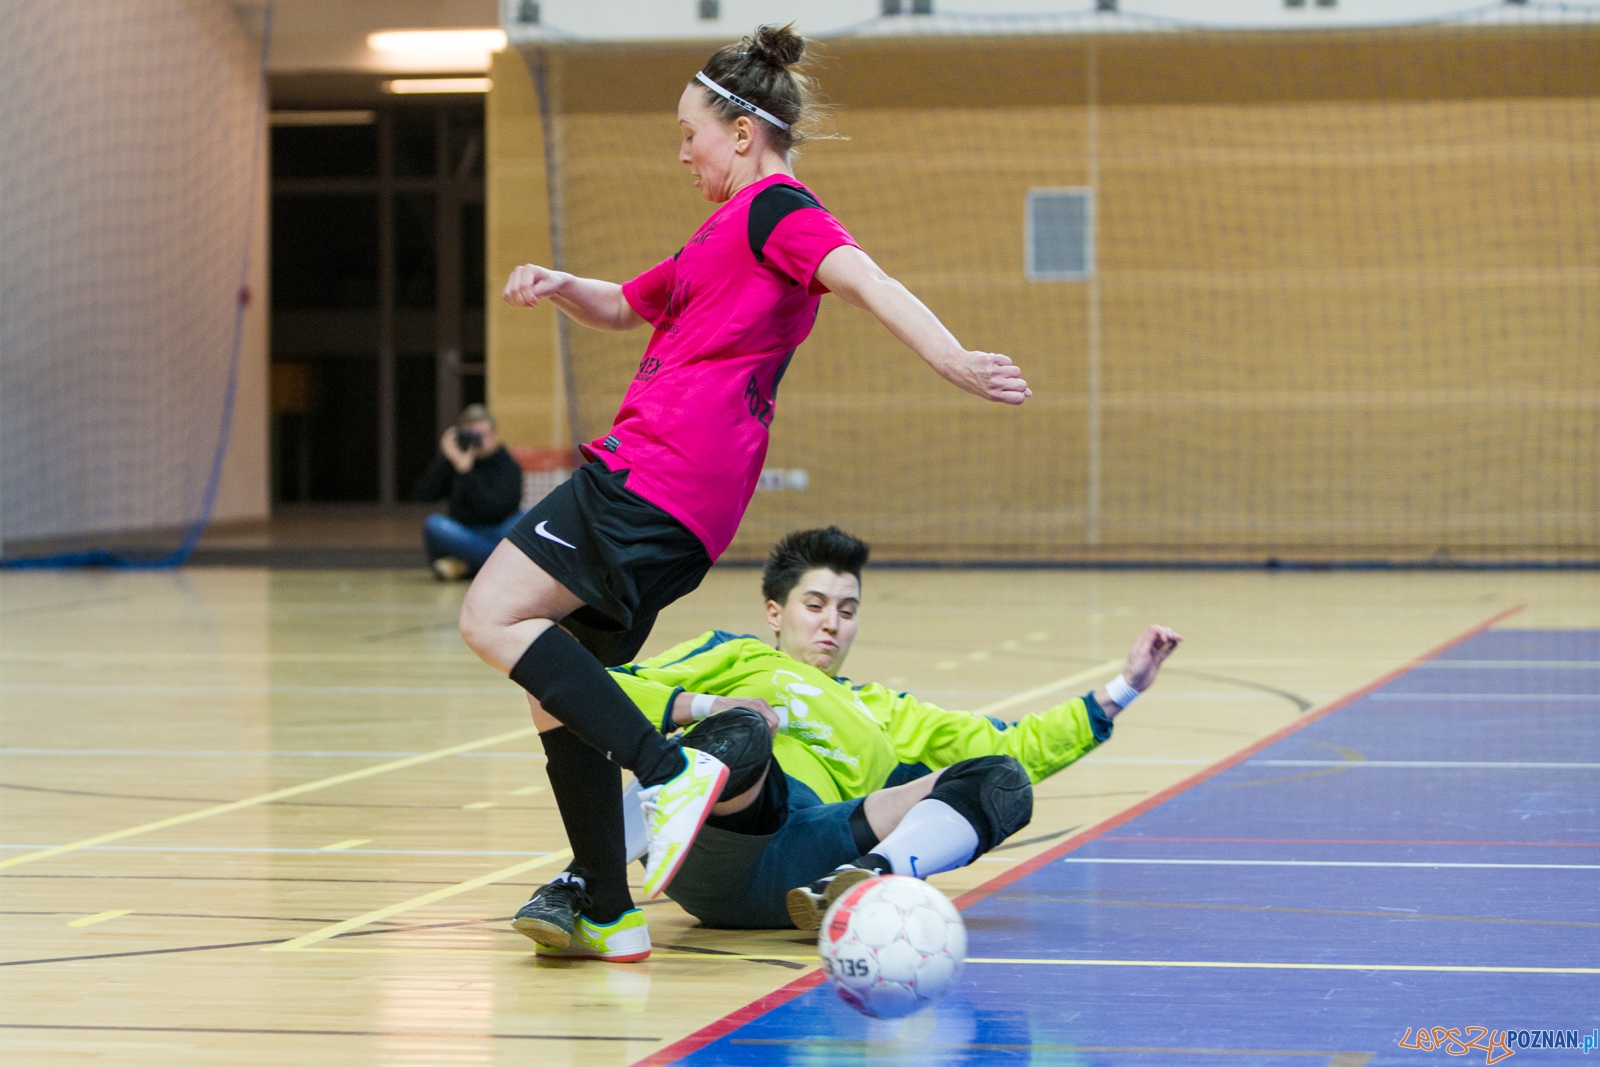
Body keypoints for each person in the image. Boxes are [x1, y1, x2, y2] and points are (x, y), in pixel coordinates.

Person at [457, 23, 1032, 964]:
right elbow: (624, 304)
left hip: (652, 473)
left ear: (740, 131)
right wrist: (561, 282)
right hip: (685, 502)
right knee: (557, 693)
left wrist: (953, 357)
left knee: (491, 618)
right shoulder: (718, 234)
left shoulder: (779, 212)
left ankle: (670, 768)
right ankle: (605, 903)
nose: (680, 150)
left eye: (690, 132)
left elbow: (867, 278)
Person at [515, 527, 1183, 940]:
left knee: (1000, 778)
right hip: (719, 831)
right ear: (775, 612)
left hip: (808, 857)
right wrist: (707, 702)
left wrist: (1122, 688)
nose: (832, 622)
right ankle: (585, 883)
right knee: (744, 728)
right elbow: (590, 685)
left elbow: (1016, 741)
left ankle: (863, 879)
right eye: (815, 604)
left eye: (848, 609)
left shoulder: (882, 708)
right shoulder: (738, 655)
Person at [413, 404, 525, 580]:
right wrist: (447, 458)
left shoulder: (508, 466)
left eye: (483, 435)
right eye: (472, 436)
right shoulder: (455, 462)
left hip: (499, 530)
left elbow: (495, 509)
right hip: (464, 532)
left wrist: (467, 473)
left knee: (527, 517)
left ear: (494, 436)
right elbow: (424, 495)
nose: (478, 441)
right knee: (434, 525)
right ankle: (499, 565)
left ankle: (466, 565)